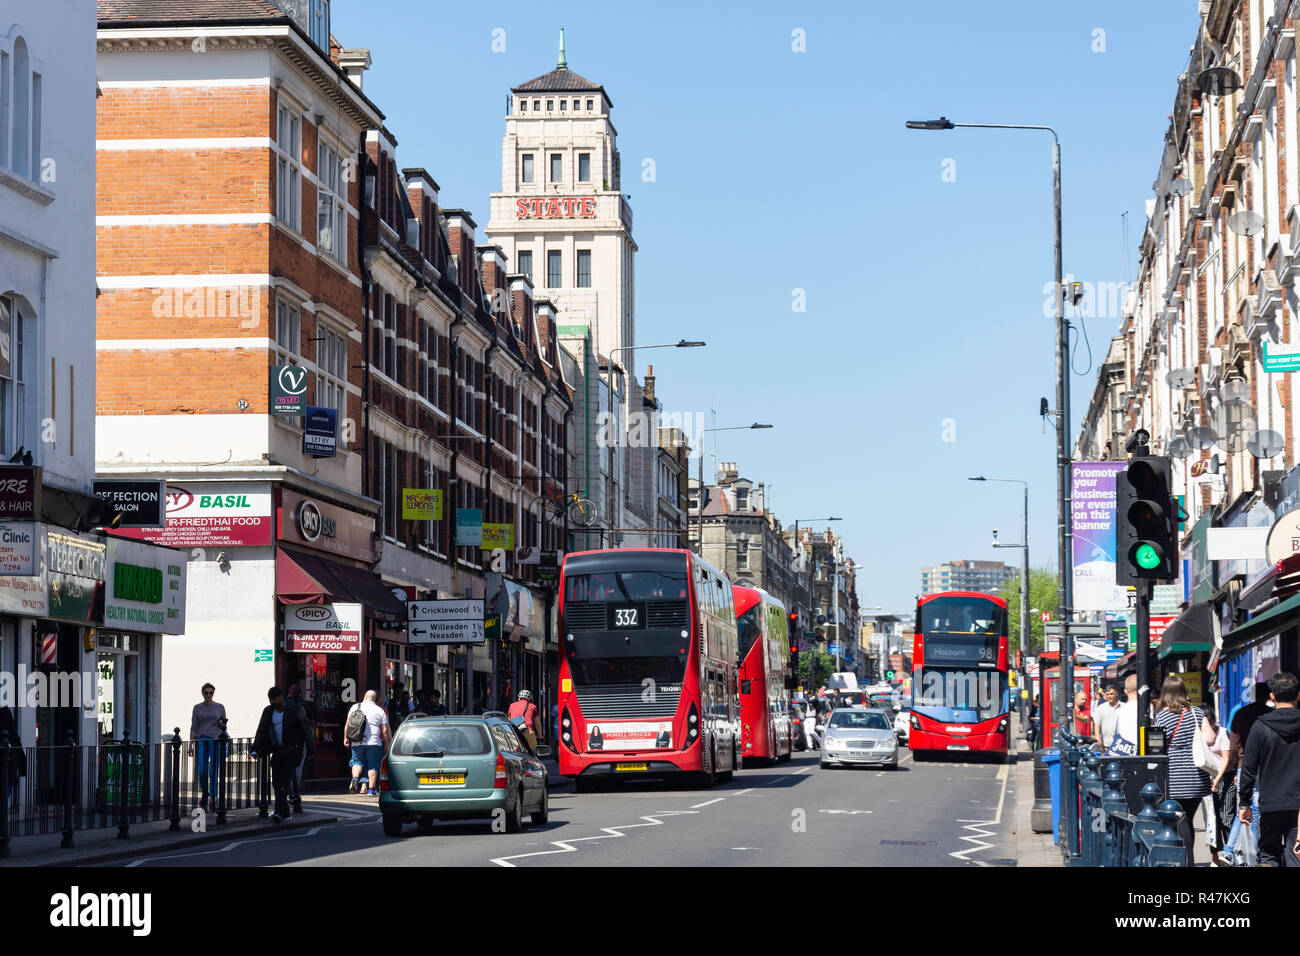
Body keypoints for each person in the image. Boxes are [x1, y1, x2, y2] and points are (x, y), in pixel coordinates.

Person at [1152, 674, 1215, 867]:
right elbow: (1211, 738)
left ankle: (1187, 862)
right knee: (1187, 819)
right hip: (1197, 775)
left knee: (1180, 821)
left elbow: (1157, 747)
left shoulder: (1162, 716)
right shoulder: (1196, 713)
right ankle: (1187, 860)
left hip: (1175, 776)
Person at [1239, 672, 1300, 867]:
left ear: (1272, 696)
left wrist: (1244, 803)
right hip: (1297, 805)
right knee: (1296, 855)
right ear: (1298, 695)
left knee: (1268, 854)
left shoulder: (1261, 726)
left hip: (1270, 802)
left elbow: (1248, 768)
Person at [1223, 681, 1273, 862]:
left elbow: (1234, 744)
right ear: (1269, 695)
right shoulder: (1270, 714)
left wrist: (1235, 768)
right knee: (1255, 808)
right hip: (1264, 765)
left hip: (1243, 765)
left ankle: (1229, 850)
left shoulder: (1241, 714)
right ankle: (1255, 850)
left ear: (1252, 695)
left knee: (1244, 808)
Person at [251, 686, 314, 823]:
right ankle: (285, 812)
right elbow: (261, 729)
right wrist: (255, 749)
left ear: (282, 697)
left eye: (275, 699)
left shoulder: (296, 709)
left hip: (293, 749)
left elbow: (306, 728)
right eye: (270, 700)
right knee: (276, 781)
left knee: (284, 781)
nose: (273, 702)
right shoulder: (268, 711)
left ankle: (279, 812)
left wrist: (311, 749)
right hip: (277, 750)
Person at [344, 690, 390, 795]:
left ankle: (355, 779)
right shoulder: (380, 710)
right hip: (374, 742)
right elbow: (385, 730)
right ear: (375, 699)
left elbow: (347, 724)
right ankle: (371, 790)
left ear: (364, 696)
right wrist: (387, 742)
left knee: (357, 762)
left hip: (357, 741)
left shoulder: (355, 707)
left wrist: (346, 738)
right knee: (373, 766)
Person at [188, 683, 226, 811]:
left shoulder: (220, 707)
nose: (208, 695)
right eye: (206, 692)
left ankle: (213, 798)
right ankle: (205, 793)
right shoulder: (197, 708)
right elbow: (194, 727)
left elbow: (223, 725)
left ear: (213, 693)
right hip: (201, 740)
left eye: (211, 693)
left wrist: (222, 722)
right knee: (202, 771)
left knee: (213, 770)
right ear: (202, 693)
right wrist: (190, 745)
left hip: (215, 740)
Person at [1203, 702, 1231, 866]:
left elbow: (1226, 758)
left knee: (1226, 817)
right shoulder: (1199, 735)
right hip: (1206, 778)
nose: (1211, 727)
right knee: (1211, 819)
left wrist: (1217, 779)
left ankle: (1228, 853)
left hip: (1224, 776)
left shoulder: (1223, 733)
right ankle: (1214, 856)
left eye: (1212, 723)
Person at [285, 684, 312, 814]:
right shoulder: (304, 706)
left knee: (287, 767)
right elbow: (309, 726)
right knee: (298, 767)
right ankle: (295, 793)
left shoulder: (284, 705)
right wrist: (311, 745)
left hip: (286, 741)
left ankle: (290, 791)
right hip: (300, 742)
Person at [1093, 684, 1121, 751]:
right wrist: (1097, 738)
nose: (1109, 696)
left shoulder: (1124, 707)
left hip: (1121, 745)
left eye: (1111, 694)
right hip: (1106, 745)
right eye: (1107, 694)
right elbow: (1097, 725)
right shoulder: (1101, 708)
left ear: (1116, 694)